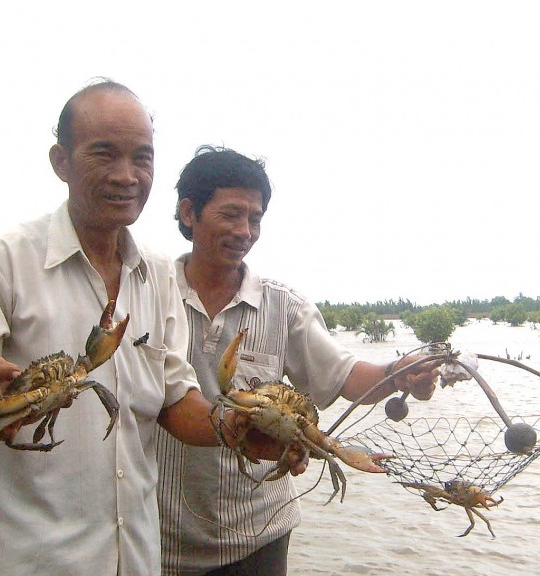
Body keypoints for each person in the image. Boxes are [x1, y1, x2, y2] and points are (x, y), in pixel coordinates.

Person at [0, 82, 290, 575]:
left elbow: (175, 399)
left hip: (136, 556)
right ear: (61, 161)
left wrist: (240, 430)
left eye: (142, 158)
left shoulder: (158, 274)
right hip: (31, 559)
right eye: (104, 154)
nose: (127, 176)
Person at [156, 145, 438, 576]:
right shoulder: (150, 294)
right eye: (231, 214)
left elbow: (344, 376)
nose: (245, 231)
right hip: (154, 538)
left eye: (255, 218)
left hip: (257, 538)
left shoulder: (282, 307)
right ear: (189, 212)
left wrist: (397, 373)